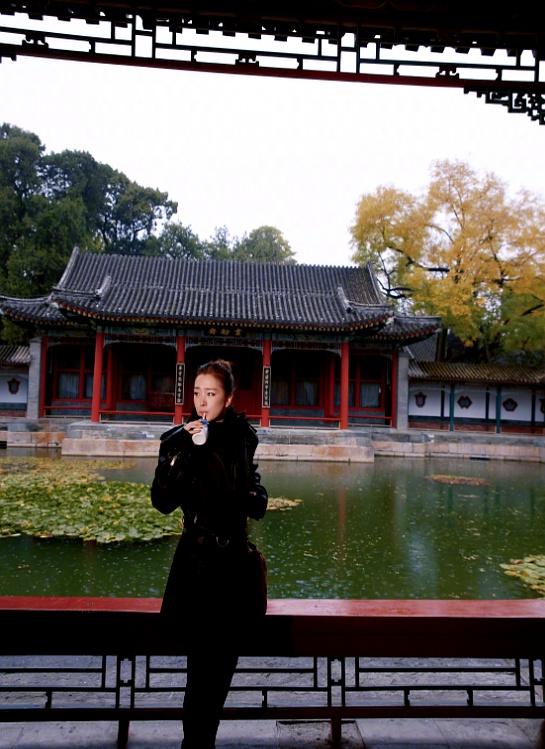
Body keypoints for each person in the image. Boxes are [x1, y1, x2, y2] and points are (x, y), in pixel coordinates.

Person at [151, 359, 268, 749]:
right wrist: (186, 452)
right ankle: (196, 744)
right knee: (200, 671)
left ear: (228, 398)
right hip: (197, 566)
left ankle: (202, 742)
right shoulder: (177, 440)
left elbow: (252, 498)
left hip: (232, 566)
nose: (202, 401)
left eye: (212, 393)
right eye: (197, 392)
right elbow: (162, 501)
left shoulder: (241, 438)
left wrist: (214, 455)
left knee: (220, 673)